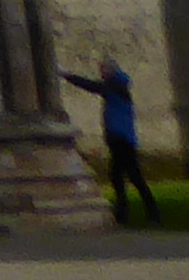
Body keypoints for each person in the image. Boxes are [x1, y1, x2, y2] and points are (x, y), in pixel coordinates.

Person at [62, 60, 157, 226]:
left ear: (111, 70)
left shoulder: (115, 85)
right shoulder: (116, 85)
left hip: (122, 139)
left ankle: (145, 214)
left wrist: (66, 75)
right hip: (120, 138)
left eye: (103, 70)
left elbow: (90, 85)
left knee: (131, 177)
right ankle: (128, 214)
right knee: (119, 177)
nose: (101, 73)